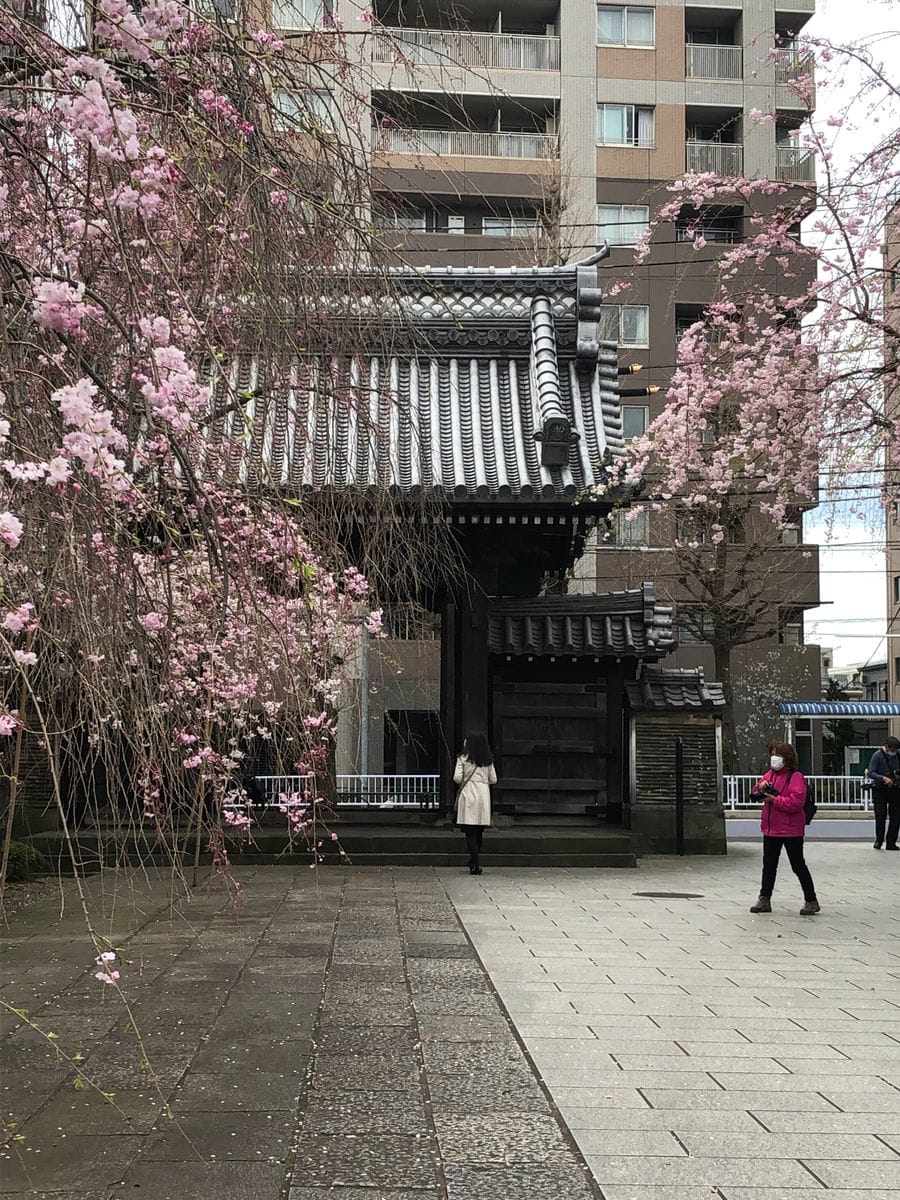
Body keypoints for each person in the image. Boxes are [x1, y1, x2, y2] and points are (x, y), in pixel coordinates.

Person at [749, 739, 820, 916]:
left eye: (777, 755)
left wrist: (774, 799)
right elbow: (756, 791)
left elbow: (795, 803)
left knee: (798, 865)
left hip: (791, 830)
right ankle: (764, 898)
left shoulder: (796, 777)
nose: (774, 758)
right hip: (771, 828)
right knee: (769, 865)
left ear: (786, 759)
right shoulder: (770, 775)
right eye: (772, 754)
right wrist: (760, 788)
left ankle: (811, 900)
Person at [454, 733, 497, 876]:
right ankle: (474, 859)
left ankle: (474, 862)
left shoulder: (463, 759)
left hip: (468, 793)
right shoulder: (488, 760)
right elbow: (493, 779)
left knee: (469, 830)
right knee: (479, 830)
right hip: (483, 794)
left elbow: (457, 778)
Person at [866, 736, 900, 851]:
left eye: (896, 750)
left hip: (895, 789)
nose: (894, 752)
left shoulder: (898, 755)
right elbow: (871, 772)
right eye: (893, 750)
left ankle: (891, 842)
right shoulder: (877, 756)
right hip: (880, 789)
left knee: (896, 817)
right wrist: (883, 778)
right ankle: (879, 840)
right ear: (887, 747)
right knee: (881, 815)